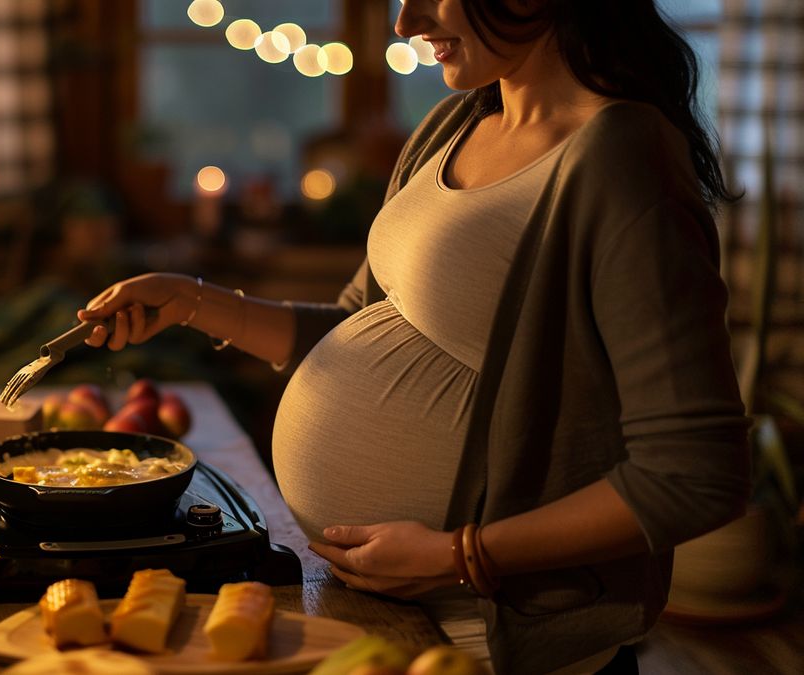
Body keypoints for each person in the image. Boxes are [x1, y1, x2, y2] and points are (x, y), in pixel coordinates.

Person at [76, 1, 750, 673]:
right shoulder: (453, 123)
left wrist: (461, 554)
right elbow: (359, 330)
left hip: (488, 643)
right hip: (373, 614)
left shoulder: (622, 161)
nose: (405, 24)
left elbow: (694, 473)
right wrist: (192, 301)